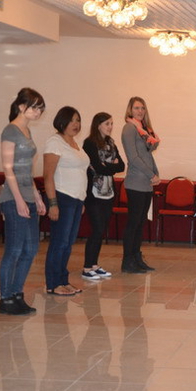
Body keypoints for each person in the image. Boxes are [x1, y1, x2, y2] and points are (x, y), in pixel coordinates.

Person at [0, 88, 47, 315]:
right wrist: (18, 200)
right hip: (12, 197)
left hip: (27, 195)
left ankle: (17, 294)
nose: (38, 112)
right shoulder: (10, 130)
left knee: (31, 248)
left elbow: (27, 170)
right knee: (15, 249)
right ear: (21, 106)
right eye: (35, 107)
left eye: (40, 108)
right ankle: (5, 298)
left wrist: (36, 196)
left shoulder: (27, 131)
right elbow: (8, 169)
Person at [43, 106, 90, 296]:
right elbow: (48, 176)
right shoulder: (55, 142)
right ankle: (53, 284)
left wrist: (81, 200)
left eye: (78, 120)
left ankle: (63, 280)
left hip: (77, 200)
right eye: (71, 120)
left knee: (68, 243)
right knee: (59, 242)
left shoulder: (75, 143)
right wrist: (53, 203)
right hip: (62, 197)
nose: (76, 124)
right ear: (62, 121)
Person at [82, 112, 125, 280]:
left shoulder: (111, 143)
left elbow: (121, 166)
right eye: (107, 123)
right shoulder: (90, 143)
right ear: (98, 125)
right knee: (97, 229)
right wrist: (110, 165)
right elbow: (97, 167)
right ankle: (87, 267)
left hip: (109, 192)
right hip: (94, 193)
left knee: (102, 230)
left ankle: (94, 265)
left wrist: (106, 166)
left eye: (112, 123)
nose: (110, 127)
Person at [120, 96, 160, 274]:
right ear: (130, 110)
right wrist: (151, 174)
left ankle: (137, 257)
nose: (140, 111)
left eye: (143, 108)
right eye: (136, 108)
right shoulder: (129, 128)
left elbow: (147, 155)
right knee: (133, 223)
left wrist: (155, 173)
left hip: (146, 183)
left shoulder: (144, 130)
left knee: (140, 223)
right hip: (136, 182)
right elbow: (133, 158)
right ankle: (127, 261)